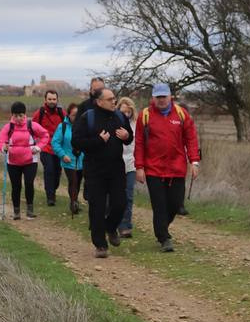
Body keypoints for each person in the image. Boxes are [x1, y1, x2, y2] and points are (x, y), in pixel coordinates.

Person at [133, 84, 200, 252]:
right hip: (153, 169)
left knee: (175, 203)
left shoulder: (181, 114)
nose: (161, 100)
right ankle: (163, 237)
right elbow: (139, 143)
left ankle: (162, 227)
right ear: (153, 98)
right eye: (158, 97)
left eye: (164, 96)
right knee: (159, 205)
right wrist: (139, 166)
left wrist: (194, 162)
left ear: (171, 97)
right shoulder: (145, 115)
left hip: (177, 167)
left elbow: (191, 139)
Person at [72, 87, 132, 258]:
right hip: (94, 170)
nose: (114, 101)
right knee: (97, 208)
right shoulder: (88, 118)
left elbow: (130, 137)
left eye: (114, 98)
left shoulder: (120, 116)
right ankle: (100, 245)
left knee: (120, 204)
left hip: (116, 169)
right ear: (99, 102)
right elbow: (76, 141)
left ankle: (111, 227)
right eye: (110, 99)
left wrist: (127, 135)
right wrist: (98, 141)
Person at [0, 101, 51, 221]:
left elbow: (45, 135)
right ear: (12, 115)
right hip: (13, 161)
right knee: (16, 186)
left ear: (24, 114)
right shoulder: (8, 127)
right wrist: (2, 147)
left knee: (29, 184)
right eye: (15, 115)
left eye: (20, 115)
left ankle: (30, 210)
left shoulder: (32, 125)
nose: (18, 118)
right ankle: (16, 212)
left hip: (30, 160)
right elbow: (0, 140)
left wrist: (38, 147)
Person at [32, 89, 66, 206]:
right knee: (49, 170)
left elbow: (68, 127)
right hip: (45, 147)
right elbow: (33, 128)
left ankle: (53, 188)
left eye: (54, 99)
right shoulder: (40, 113)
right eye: (50, 99)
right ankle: (50, 197)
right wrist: (36, 143)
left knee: (57, 171)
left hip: (59, 148)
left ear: (57, 100)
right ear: (45, 100)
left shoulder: (62, 113)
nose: (52, 101)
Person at [51, 104, 84, 215]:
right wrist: (63, 155)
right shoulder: (63, 127)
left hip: (82, 160)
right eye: (74, 115)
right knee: (73, 181)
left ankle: (75, 200)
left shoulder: (84, 126)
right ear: (68, 115)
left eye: (78, 115)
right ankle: (73, 203)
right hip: (68, 160)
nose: (76, 117)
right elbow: (55, 143)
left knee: (78, 182)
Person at [117, 96, 138, 238]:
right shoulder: (113, 123)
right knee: (114, 197)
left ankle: (125, 225)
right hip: (115, 163)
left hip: (131, 164)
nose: (126, 114)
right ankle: (112, 221)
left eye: (128, 111)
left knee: (128, 195)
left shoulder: (137, 125)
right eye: (122, 111)